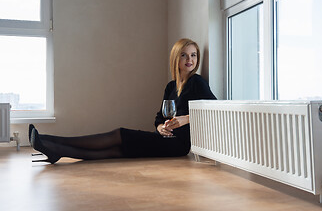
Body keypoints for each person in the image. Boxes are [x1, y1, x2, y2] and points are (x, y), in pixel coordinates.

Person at [30, 38, 216, 164]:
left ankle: (47, 140)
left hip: (178, 145)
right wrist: (160, 127)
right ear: (176, 57)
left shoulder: (197, 82)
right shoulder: (171, 86)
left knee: (120, 135)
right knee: (115, 152)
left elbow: (213, 109)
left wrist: (185, 119)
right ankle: (57, 150)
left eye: (193, 55)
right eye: (184, 54)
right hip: (164, 137)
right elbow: (159, 117)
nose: (189, 59)